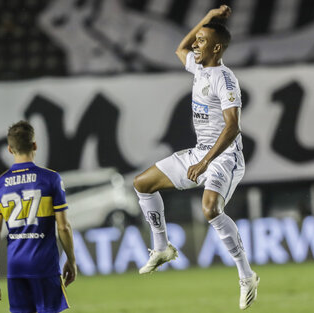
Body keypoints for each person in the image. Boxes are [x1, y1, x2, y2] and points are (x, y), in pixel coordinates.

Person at [133, 5, 259, 310]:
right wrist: (207, 18)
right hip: (200, 152)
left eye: (202, 41)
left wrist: (204, 164)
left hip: (225, 157)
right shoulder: (200, 68)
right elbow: (180, 48)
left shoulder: (224, 80)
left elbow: (233, 127)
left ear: (216, 48)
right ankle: (162, 247)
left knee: (209, 209)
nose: (195, 45)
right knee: (142, 183)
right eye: (197, 40)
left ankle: (246, 276)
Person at [0, 120, 77, 313]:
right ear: (35, 145)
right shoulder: (50, 178)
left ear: (10, 149)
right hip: (44, 265)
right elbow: (63, 227)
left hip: (16, 268)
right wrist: (71, 260)